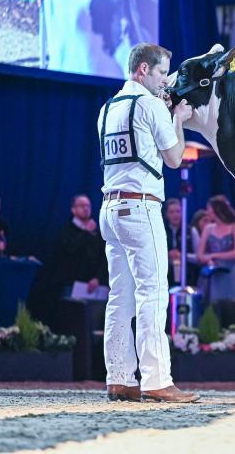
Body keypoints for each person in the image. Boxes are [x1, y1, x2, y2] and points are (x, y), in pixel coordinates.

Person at [98, 42, 198, 403]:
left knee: (119, 297)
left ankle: (119, 377)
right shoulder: (151, 105)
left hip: (110, 208)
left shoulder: (107, 108)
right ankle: (157, 379)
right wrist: (179, 119)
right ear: (142, 70)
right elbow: (174, 158)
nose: (163, 82)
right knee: (153, 294)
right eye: (159, 74)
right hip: (140, 208)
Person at [27, 195, 108, 329]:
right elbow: (69, 251)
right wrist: (84, 232)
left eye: (88, 206)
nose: (86, 209)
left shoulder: (96, 231)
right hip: (71, 284)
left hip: (92, 286)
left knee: (90, 321)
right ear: (73, 210)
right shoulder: (67, 230)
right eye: (82, 206)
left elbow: (103, 258)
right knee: (70, 318)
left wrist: (97, 278)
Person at [196, 196, 235, 304]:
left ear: (217, 209)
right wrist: (208, 259)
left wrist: (214, 256)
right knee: (214, 306)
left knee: (232, 305)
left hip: (231, 274)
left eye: (209, 209)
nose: (207, 212)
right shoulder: (208, 228)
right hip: (213, 275)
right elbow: (200, 255)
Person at [163, 198, 197, 287]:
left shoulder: (191, 231)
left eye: (178, 211)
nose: (175, 215)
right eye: (171, 212)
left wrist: (182, 256)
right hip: (165, 279)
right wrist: (167, 255)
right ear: (166, 214)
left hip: (188, 279)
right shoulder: (160, 232)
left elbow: (198, 257)